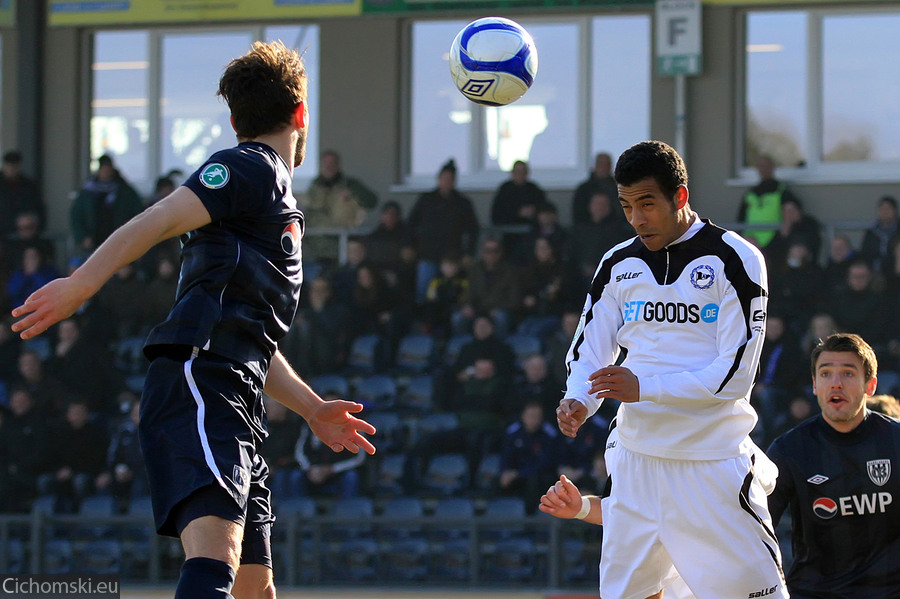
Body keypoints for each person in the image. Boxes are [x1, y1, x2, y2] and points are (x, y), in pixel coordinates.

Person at [11, 41, 376, 599]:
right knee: (215, 562)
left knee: (256, 589)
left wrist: (309, 407)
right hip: (201, 381)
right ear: (302, 114)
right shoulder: (247, 166)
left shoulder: (269, 203)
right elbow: (160, 217)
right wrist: (82, 282)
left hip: (239, 390)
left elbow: (251, 335)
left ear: (234, 118)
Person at [556, 140, 787, 599]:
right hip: (636, 464)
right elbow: (589, 348)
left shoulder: (736, 259)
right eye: (626, 206)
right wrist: (580, 398)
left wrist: (645, 386)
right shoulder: (617, 263)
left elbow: (736, 376)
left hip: (710, 464)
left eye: (647, 203)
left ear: (679, 197)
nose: (637, 218)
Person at [767, 333, 900, 598]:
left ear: (870, 385)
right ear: (815, 385)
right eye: (826, 374)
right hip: (815, 593)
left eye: (848, 374)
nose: (836, 383)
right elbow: (755, 529)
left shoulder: (895, 441)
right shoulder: (788, 450)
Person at [408, 159, 480, 302]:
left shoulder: (462, 203)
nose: (447, 182)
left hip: (452, 257)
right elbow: (411, 224)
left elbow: (473, 229)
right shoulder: (426, 200)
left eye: (450, 179)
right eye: (444, 178)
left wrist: (469, 253)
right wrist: (409, 245)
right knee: (424, 294)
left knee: (453, 295)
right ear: (439, 179)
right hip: (428, 255)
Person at [69, 153, 144, 254]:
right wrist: (83, 237)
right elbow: (76, 216)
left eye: (107, 168)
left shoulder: (124, 191)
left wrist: (129, 236)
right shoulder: (87, 192)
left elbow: (138, 213)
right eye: (103, 168)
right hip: (92, 242)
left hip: (118, 241)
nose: (105, 171)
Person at [737, 153, 800, 249]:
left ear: (772, 167)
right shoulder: (750, 194)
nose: (763, 169)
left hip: (773, 240)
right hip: (750, 239)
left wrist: (785, 231)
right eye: (760, 166)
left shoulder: (781, 190)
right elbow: (740, 220)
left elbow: (793, 211)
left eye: (766, 165)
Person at [0, 150, 44, 238]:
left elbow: (38, 206)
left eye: (15, 166)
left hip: (25, 232)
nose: (12, 169)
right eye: (9, 166)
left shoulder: (28, 185)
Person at [571, 151, 621, 226]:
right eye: (601, 164)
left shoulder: (619, 189)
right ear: (595, 165)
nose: (604, 167)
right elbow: (578, 215)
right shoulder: (583, 189)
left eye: (607, 164)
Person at [860, 195, 900, 275]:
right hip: (875, 271)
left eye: (888, 209)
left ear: (895, 211)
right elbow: (864, 253)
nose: (885, 212)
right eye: (882, 209)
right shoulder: (871, 233)